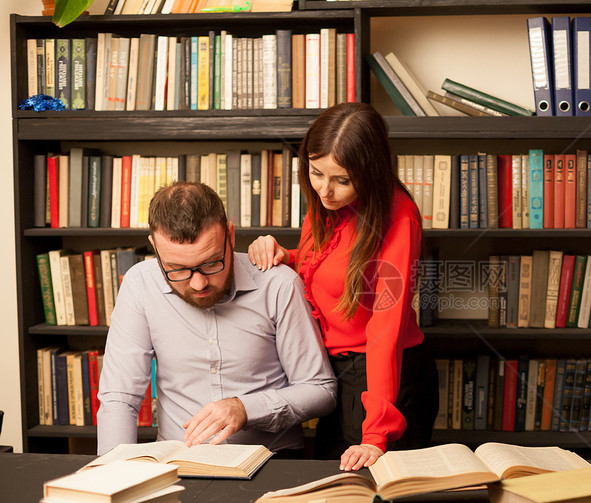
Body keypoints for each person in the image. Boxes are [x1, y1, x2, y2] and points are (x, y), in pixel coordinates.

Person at [248, 102, 438, 471]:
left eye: (342, 180)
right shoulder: (326, 202)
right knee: (327, 479)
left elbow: (387, 325)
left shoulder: (399, 218)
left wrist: (376, 433)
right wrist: (283, 254)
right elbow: (327, 264)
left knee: (373, 492)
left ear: (370, 172)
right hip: (333, 369)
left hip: (385, 375)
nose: (325, 190)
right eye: (316, 172)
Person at [97, 181, 337, 457]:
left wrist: (245, 409)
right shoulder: (140, 284)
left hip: (272, 459)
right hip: (180, 460)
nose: (198, 284)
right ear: (154, 247)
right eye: (176, 269)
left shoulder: (279, 284)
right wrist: (112, 472)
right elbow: (119, 397)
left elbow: (321, 391)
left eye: (211, 263)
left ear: (230, 236)